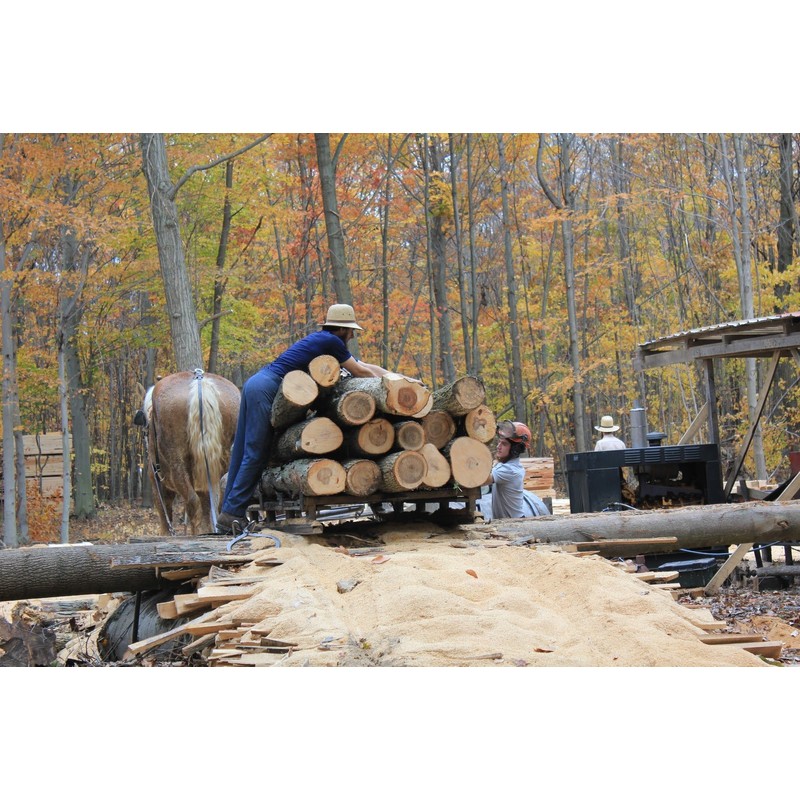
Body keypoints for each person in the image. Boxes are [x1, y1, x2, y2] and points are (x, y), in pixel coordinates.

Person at [217, 304, 418, 534]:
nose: (352, 336)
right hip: (265, 389)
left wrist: (400, 378)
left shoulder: (324, 341)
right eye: (351, 331)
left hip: (256, 384)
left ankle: (228, 513)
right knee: (256, 453)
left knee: (243, 450)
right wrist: (386, 386)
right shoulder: (331, 341)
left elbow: (363, 365)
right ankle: (233, 514)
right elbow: (361, 372)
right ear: (341, 329)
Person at [480, 420, 547, 520]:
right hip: (506, 521)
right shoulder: (505, 465)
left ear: (515, 449)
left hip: (513, 523)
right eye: (499, 442)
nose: (498, 446)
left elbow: (481, 480)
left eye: (504, 444)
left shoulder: (510, 470)